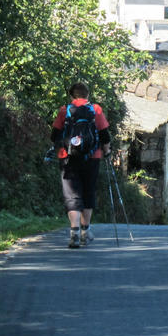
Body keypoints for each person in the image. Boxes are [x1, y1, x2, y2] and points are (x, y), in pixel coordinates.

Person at [51, 82, 111, 248]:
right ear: (87, 95)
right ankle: (86, 231)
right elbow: (105, 136)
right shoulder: (96, 110)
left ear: (72, 96)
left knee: (72, 195)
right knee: (88, 192)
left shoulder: (65, 110)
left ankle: (74, 233)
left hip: (67, 158)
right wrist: (107, 152)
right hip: (92, 157)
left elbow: (54, 135)